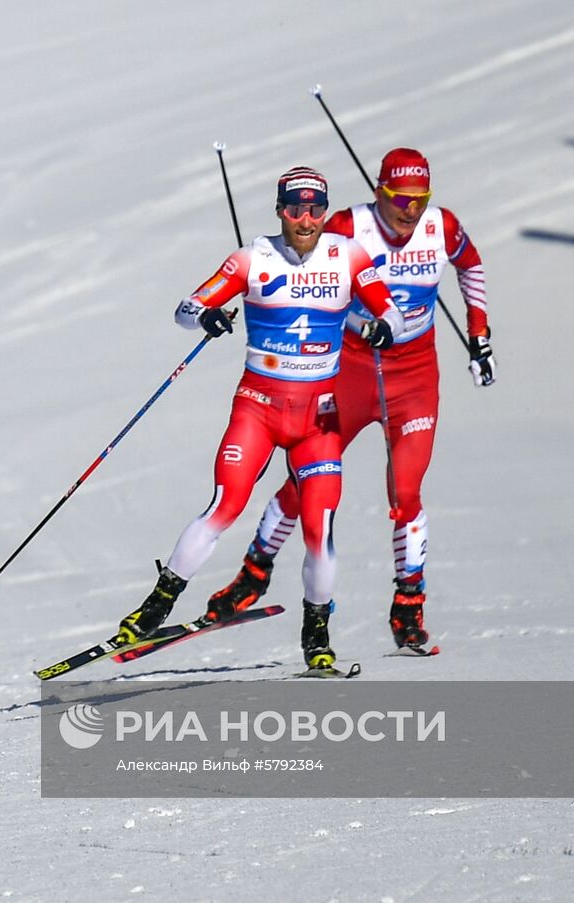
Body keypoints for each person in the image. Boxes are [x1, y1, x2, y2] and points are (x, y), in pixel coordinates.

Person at [116, 166, 404, 671]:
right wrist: (207, 316)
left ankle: (317, 632)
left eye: (316, 208)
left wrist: (382, 327)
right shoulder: (252, 258)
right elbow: (186, 308)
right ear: (280, 211)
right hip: (258, 409)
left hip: (318, 421)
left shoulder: (348, 255)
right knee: (225, 506)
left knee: (320, 527)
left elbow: (392, 313)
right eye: (295, 208)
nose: (306, 218)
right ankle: (155, 607)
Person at [207, 148, 492, 652]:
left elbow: (470, 266)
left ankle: (409, 603)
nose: (412, 211)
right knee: (309, 479)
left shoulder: (441, 227)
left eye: (421, 199)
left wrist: (479, 335)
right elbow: (305, 277)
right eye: (402, 199)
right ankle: (255, 571)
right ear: (380, 192)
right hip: (351, 373)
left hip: (415, 377)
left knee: (406, 491)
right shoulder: (346, 226)